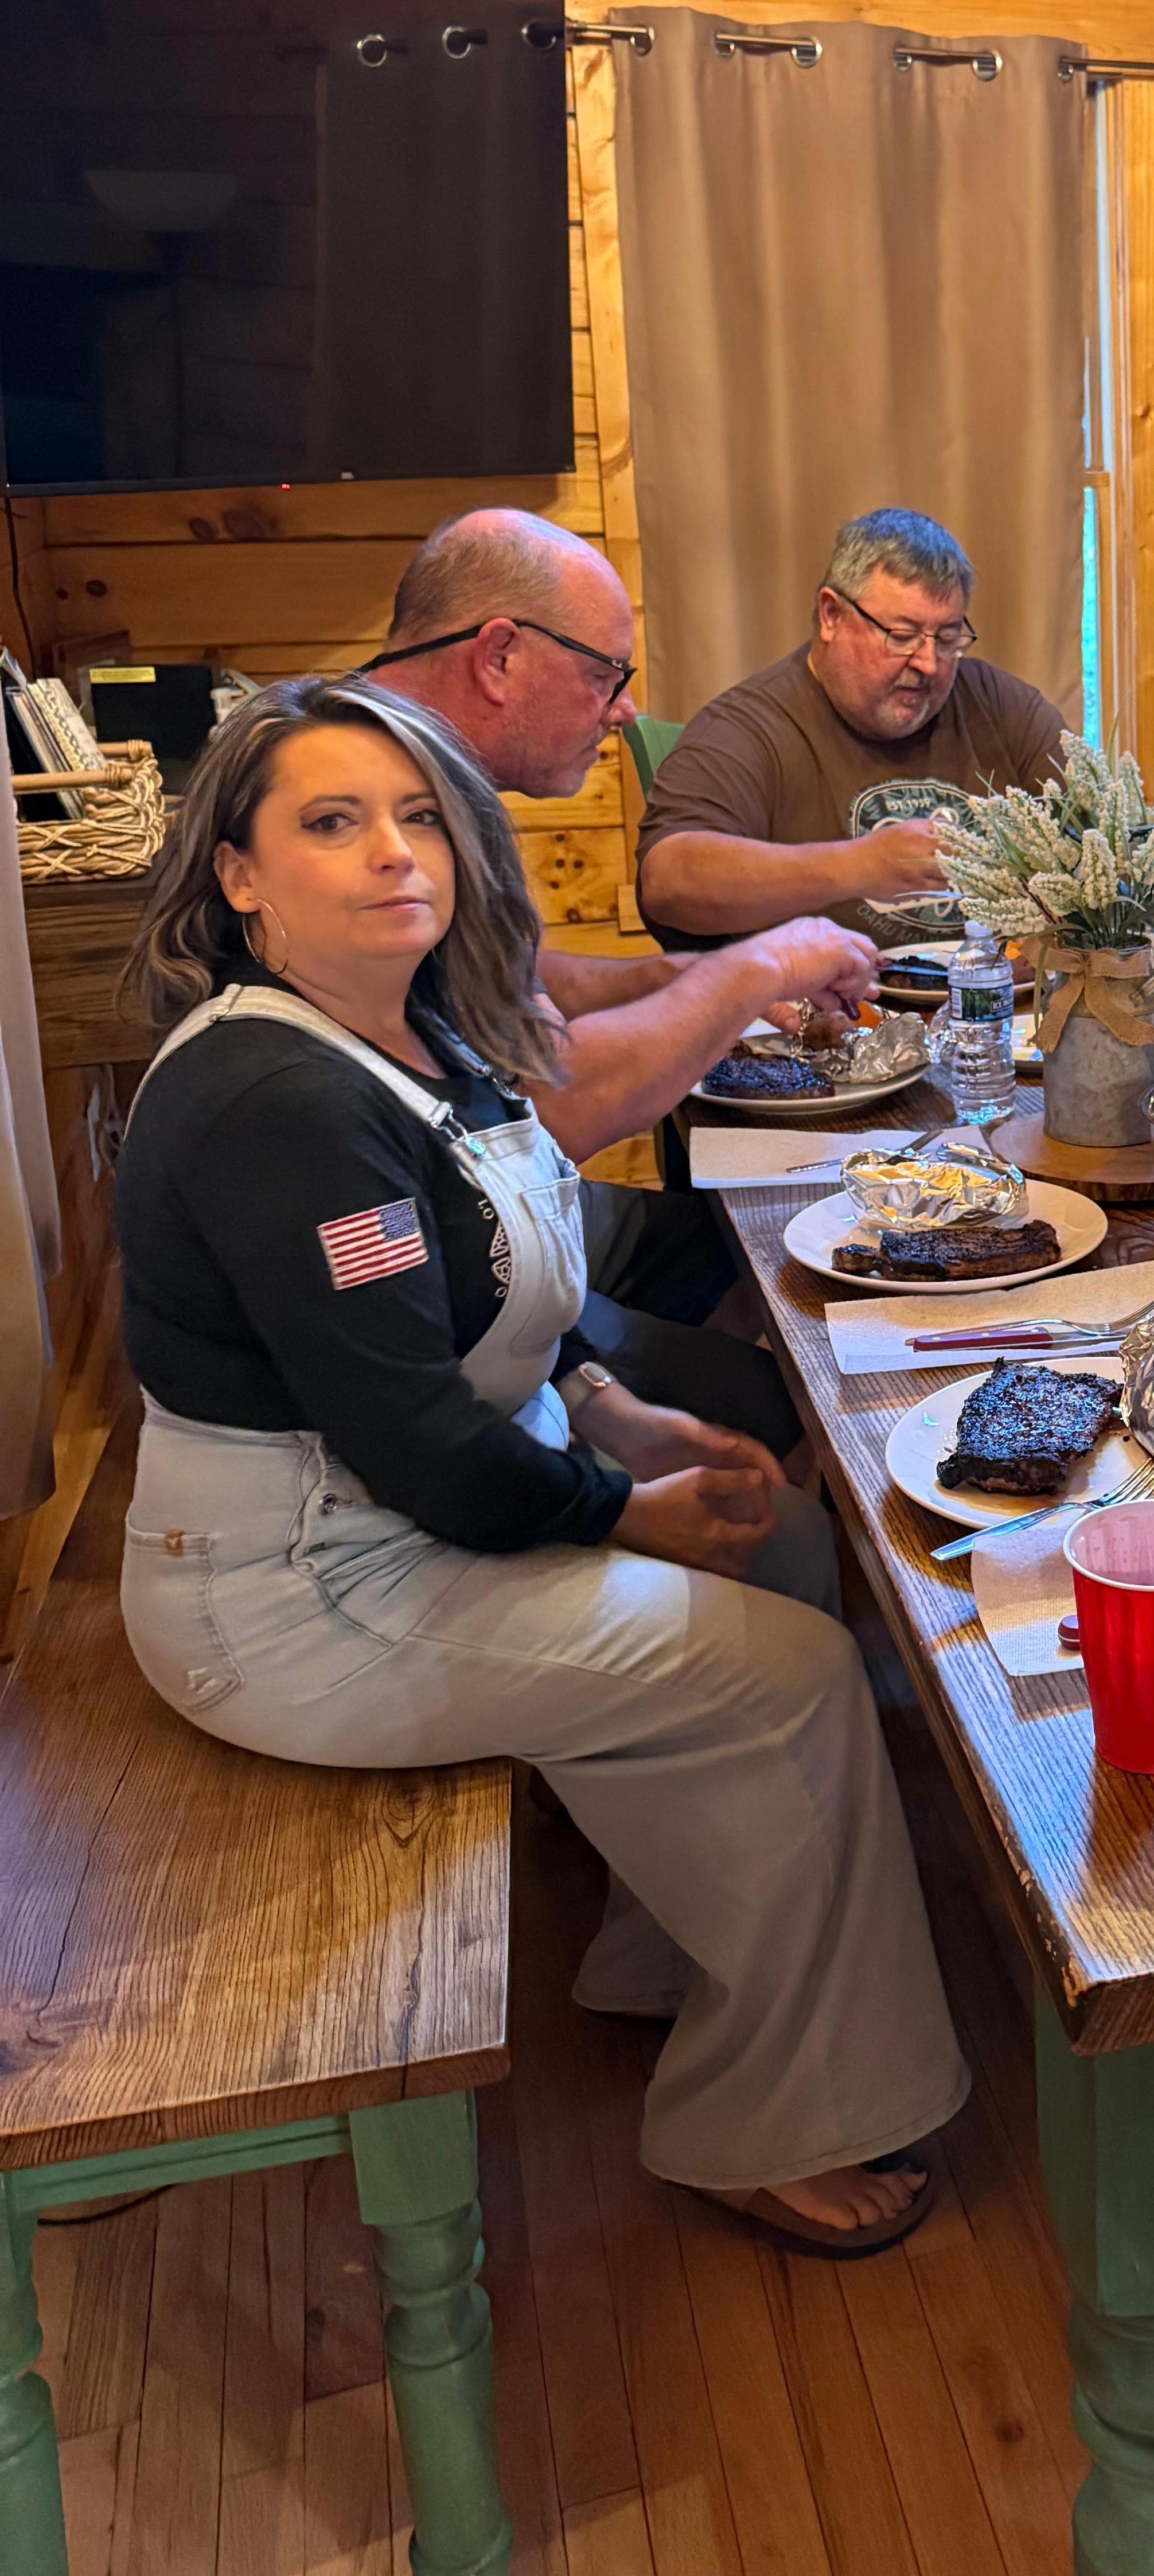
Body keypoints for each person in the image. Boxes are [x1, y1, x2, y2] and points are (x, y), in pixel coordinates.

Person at [114, 679, 967, 2254]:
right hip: (302, 1593)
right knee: (784, 1672)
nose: (395, 855)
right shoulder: (273, 1101)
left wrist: (613, 1411)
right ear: (237, 876)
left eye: (418, 816)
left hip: (395, 1520)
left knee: (779, 1550)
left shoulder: (408, 1031)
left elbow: (494, 1287)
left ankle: (672, 1952)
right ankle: (762, 2113)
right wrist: (617, 1505)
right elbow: (415, 1439)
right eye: (330, 822)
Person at [368, 509, 880, 1440]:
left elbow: (515, 985)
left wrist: (696, 973)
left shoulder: (413, 763)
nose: (623, 711)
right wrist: (762, 961)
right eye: (604, 674)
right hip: (448, 1270)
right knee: (803, 1405)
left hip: (499, 1213)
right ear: (498, 657)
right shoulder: (383, 818)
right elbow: (553, 1100)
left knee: (753, 1251)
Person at [636, 508, 1067, 941]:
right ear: (831, 615)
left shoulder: (1000, 707)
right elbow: (667, 883)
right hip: (831, 1004)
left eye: (949, 637)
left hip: (1000, 1000)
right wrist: (858, 867)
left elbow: (1101, 839)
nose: (929, 663)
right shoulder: (747, 729)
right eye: (901, 635)